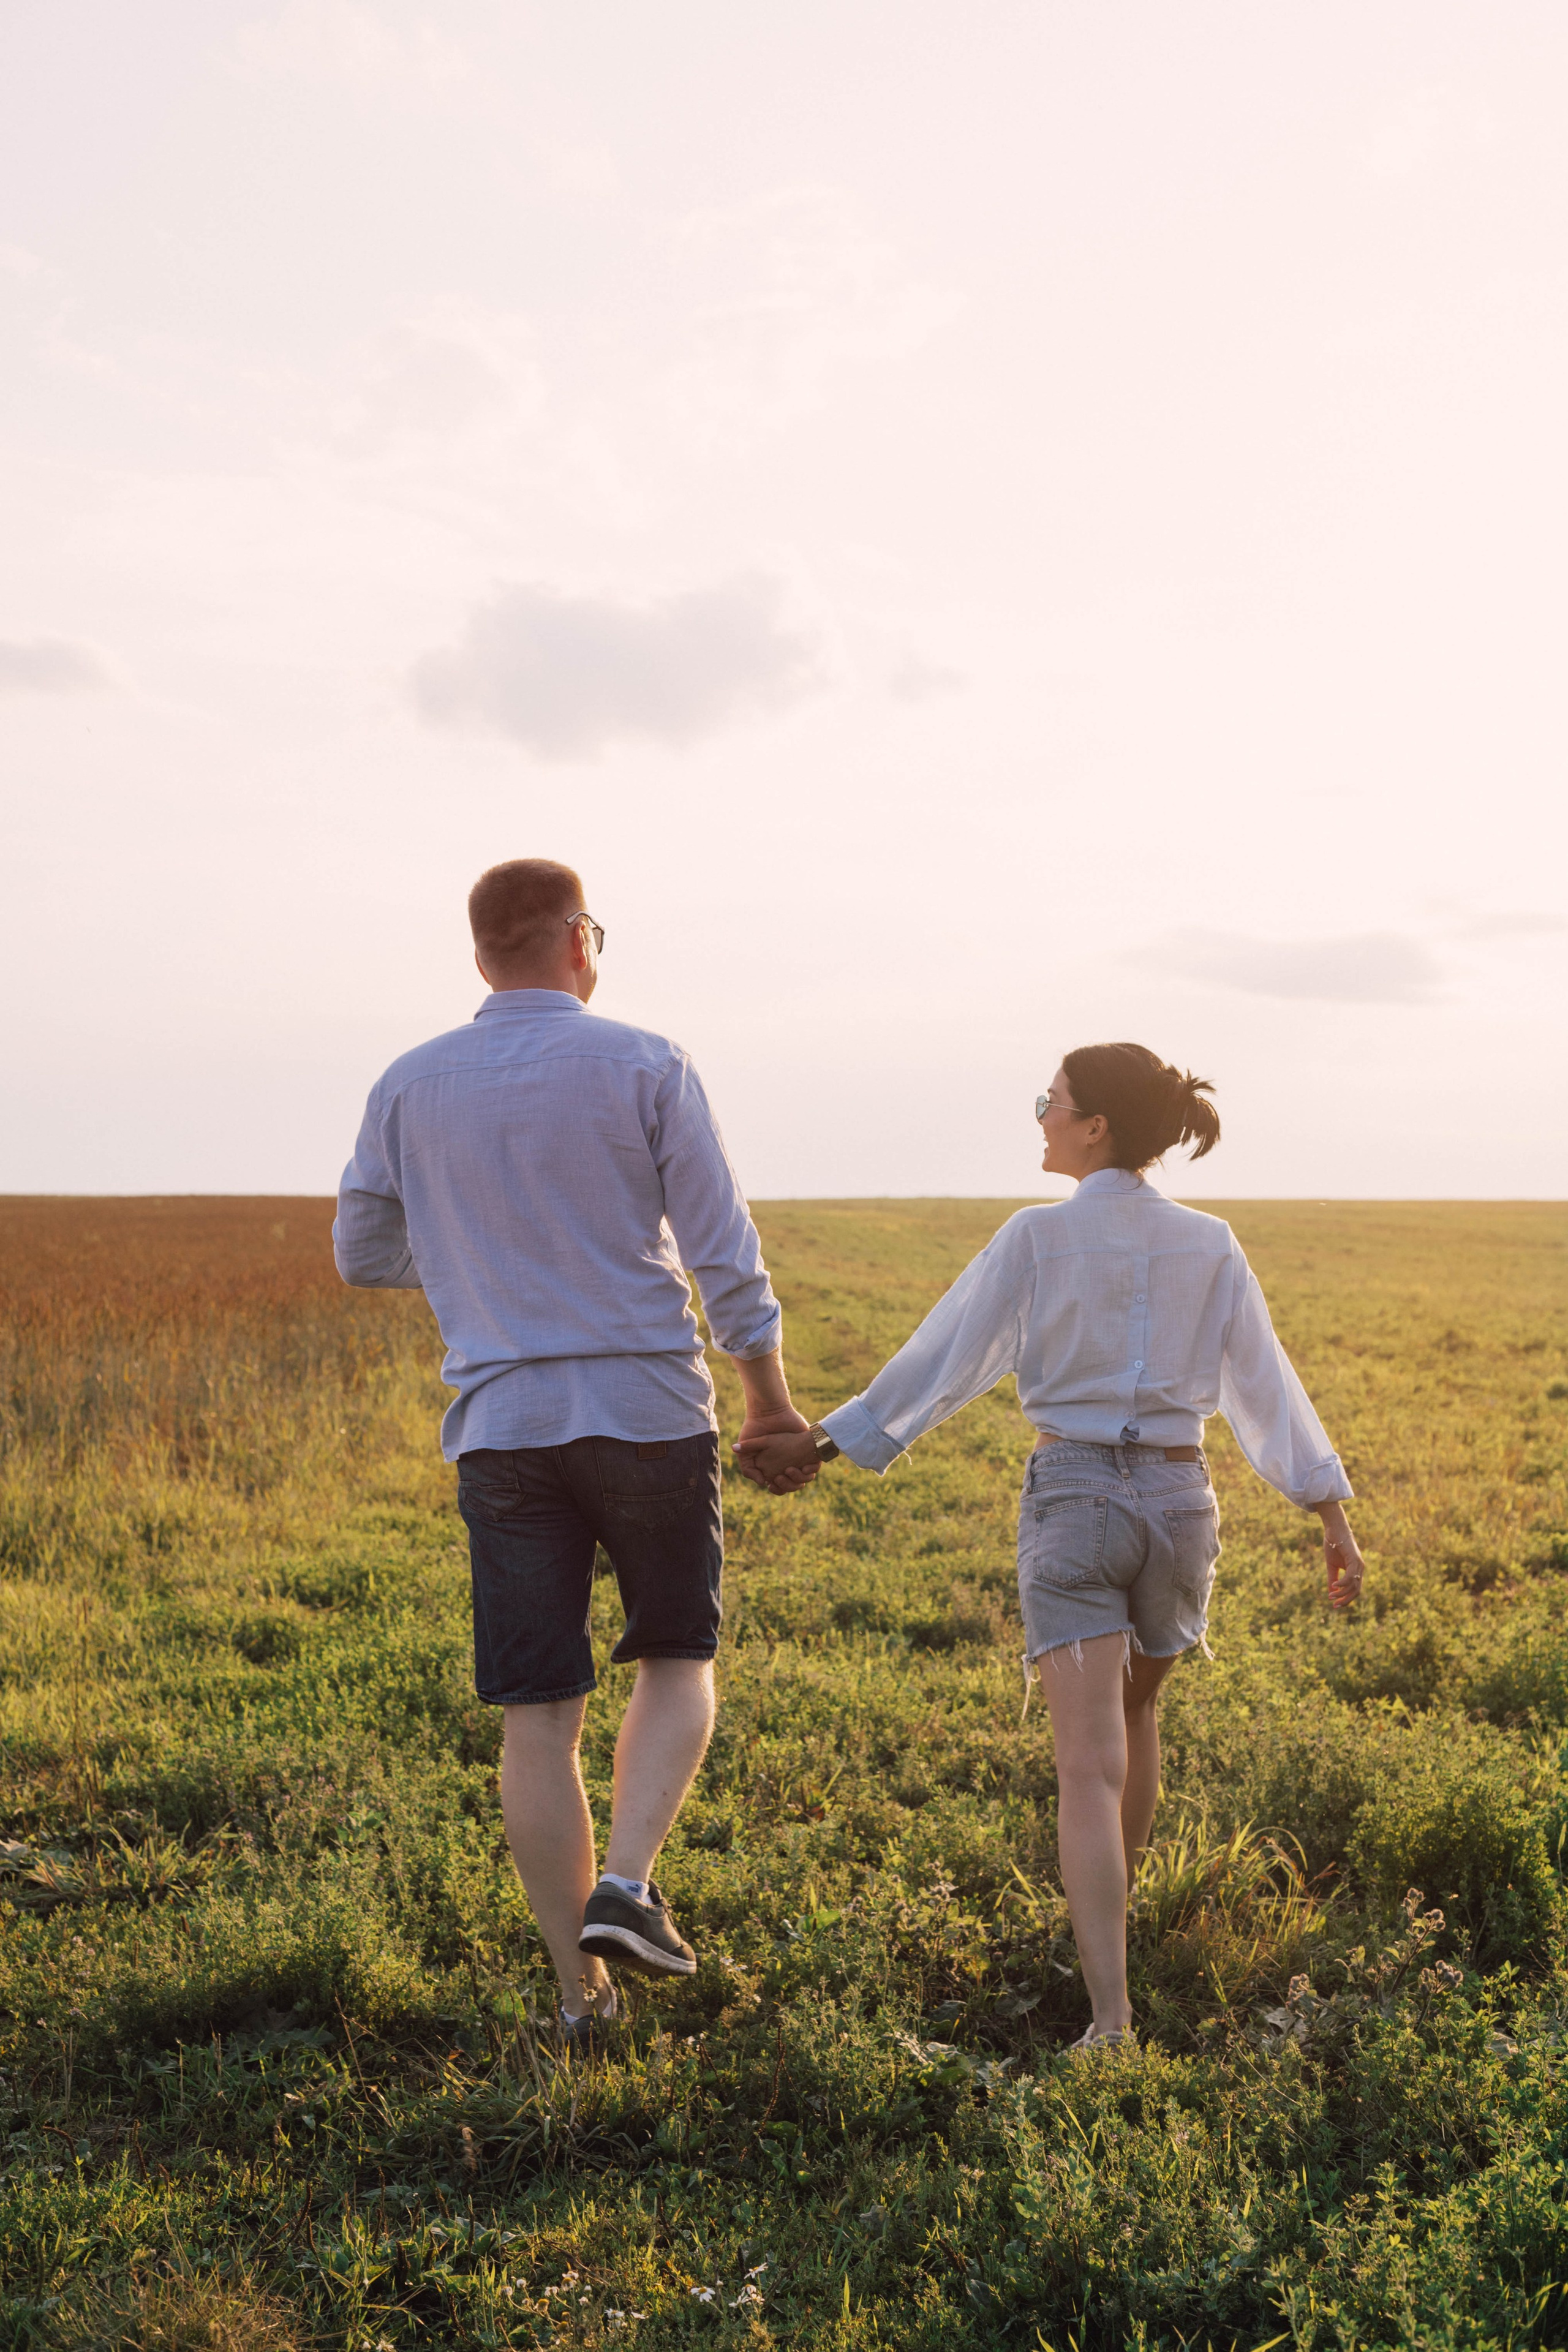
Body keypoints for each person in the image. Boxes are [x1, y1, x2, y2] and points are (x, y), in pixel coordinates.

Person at [736, 1042, 1365, 2052]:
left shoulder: (1037, 1237)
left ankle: (1110, 2015)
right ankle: (1117, 1921)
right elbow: (1265, 1385)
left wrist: (820, 1444)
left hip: (1076, 1497)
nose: (1039, 1118)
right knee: (1138, 1710)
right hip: (1179, 1499)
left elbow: (944, 1361)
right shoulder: (1212, 1240)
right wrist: (1329, 1511)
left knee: (1087, 1769)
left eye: (1051, 1102)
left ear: (1095, 1126)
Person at [333, 858, 810, 2046]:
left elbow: (359, 1250)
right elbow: (718, 1243)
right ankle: (627, 1885)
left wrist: (476, 1258)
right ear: (574, 941)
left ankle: (575, 1997)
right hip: (646, 1405)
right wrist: (765, 1398)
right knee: (674, 1650)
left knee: (536, 1713)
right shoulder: (644, 1061)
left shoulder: (407, 1082)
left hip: (501, 1429)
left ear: (482, 952)